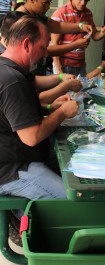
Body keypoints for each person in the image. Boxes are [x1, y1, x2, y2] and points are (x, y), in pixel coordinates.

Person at [0, 14, 79, 200]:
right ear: (27, 44)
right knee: (73, 201)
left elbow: (12, 114)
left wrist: (49, 109)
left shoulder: (9, 68)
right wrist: (61, 113)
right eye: (43, 47)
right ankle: (27, 220)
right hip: (10, 169)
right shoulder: (12, 80)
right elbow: (32, 136)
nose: (45, 54)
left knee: (75, 171)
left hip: (19, 157)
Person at [50, 0, 105, 76]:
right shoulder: (60, 13)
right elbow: (54, 45)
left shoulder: (88, 13)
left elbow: (94, 35)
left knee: (82, 90)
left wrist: (103, 33)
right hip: (64, 65)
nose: (83, 2)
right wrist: (59, 71)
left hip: (81, 64)